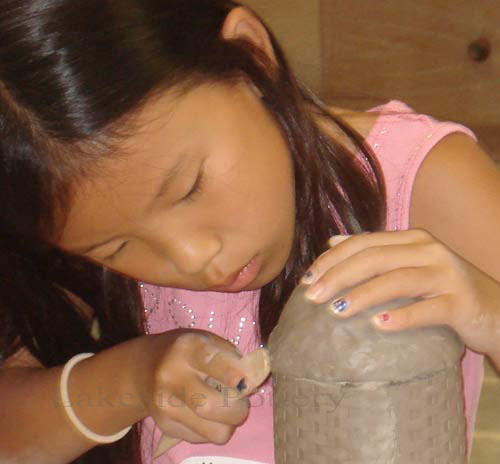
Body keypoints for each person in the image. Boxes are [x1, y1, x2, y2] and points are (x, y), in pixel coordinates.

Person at [0, 0, 499, 463]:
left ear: (250, 55)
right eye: (117, 247)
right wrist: (134, 377)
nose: (197, 258)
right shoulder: (79, 214)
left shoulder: (422, 178)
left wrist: (487, 312)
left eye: (189, 187)